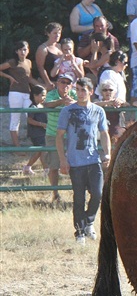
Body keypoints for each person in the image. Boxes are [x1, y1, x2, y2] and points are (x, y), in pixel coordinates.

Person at [55, 77, 111, 244]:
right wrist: (63, 159)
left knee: (98, 194)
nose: (80, 93)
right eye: (78, 90)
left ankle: (89, 222)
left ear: (91, 92)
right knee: (79, 198)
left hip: (93, 159)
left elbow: (104, 133)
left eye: (83, 90)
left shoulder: (98, 111)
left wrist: (107, 153)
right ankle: (80, 232)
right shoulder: (67, 111)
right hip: (75, 161)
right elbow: (59, 136)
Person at [43, 73, 77, 201]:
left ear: (71, 85)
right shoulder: (51, 94)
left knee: (75, 165)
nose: (65, 85)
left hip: (72, 135)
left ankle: (77, 192)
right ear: (57, 83)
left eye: (68, 83)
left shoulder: (74, 94)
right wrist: (62, 101)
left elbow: (83, 103)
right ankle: (55, 193)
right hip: (53, 133)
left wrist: (72, 102)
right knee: (54, 165)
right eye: (62, 82)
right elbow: (47, 104)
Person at [0, 40, 34, 147]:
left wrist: (41, 86)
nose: (22, 52)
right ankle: (17, 147)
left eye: (25, 49)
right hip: (15, 93)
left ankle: (34, 142)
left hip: (27, 93)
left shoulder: (29, 62)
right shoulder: (12, 62)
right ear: (16, 51)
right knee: (15, 119)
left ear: (28, 50)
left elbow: (30, 78)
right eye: (20, 50)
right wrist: (9, 77)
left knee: (32, 115)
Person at [23, 85, 47, 175]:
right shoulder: (32, 107)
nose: (44, 97)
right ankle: (46, 169)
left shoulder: (41, 105)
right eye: (42, 95)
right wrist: (42, 124)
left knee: (40, 151)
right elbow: (30, 120)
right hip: (36, 133)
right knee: (42, 150)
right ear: (35, 95)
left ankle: (27, 167)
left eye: (45, 95)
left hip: (42, 132)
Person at [35, 22, 63, 91]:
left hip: (61, 82)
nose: (57, 35)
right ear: (48, 34)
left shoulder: (60, 46)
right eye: (55, 33)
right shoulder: (43, 48)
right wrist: (48, 82)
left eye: (59, 33)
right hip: (48, 82)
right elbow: (40, 67)